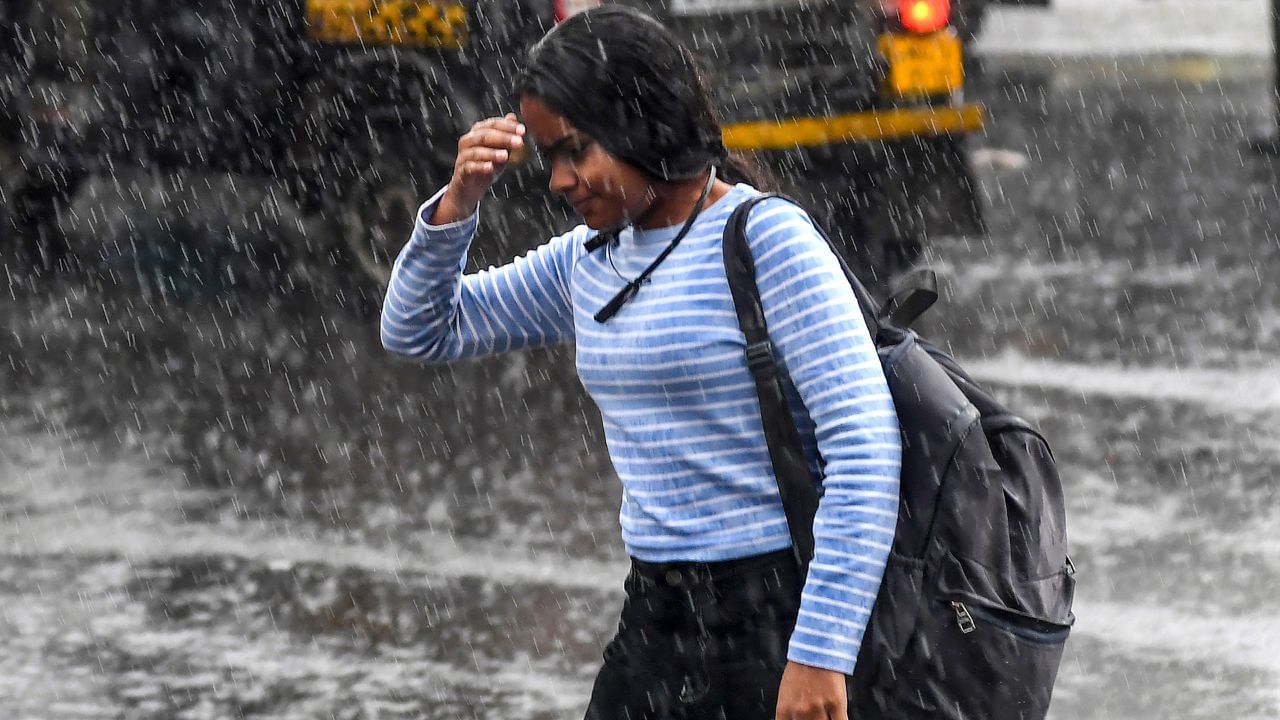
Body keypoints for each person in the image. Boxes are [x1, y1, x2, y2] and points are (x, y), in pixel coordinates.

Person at [380, 6, 902, 719]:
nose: (561, 180)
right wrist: (457, 206)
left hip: (774, 616)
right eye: (549, 156)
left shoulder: (767, 241)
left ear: (644, 124)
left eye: (577, 150)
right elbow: (420, 329)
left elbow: (865, 448)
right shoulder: (587, 262)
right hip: (655, 616)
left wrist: (820, 656)